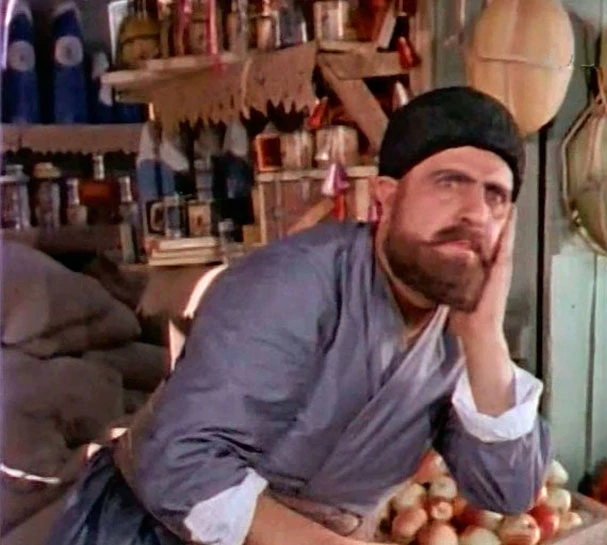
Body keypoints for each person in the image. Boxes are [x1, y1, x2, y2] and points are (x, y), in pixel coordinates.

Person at [48, 86, 551, 545]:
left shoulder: (460, 325)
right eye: (449, 183)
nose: (475, 213)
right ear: (386, 197)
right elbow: (178, 465)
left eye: (495, 196)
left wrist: (485, 337)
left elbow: (506, 492)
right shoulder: (295, 284)